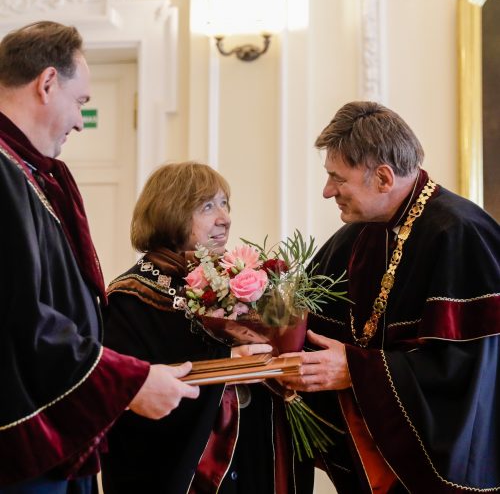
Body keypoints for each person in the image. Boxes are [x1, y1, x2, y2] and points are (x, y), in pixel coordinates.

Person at [0, 21, 199, 493]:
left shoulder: (22, 169)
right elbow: (18, 317)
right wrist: (126, 382)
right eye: (80, 103)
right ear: (48, 83)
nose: (77, 122)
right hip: (20, 439)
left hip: (47, 423)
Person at [282, 101, 500, 492]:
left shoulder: (461, 233)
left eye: (337, 178)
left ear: (383, 178)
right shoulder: (358, 234)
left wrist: (358, 370)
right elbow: (305, 323)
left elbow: (468, 375)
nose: (328, 190)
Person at [100, 161, 313, 494]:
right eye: (208, 206)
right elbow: (125, 396)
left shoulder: (239, 279)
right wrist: (226, 363)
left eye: (225, 203)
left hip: (250, 460)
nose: (224, 218)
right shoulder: (129, 297)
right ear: (170, 212)